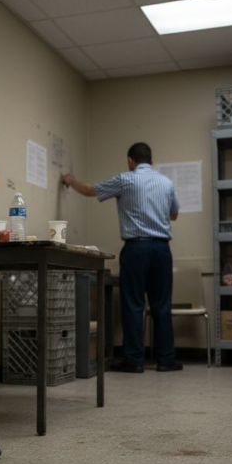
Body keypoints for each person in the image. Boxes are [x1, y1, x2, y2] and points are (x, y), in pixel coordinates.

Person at [61, 142, 183, 373]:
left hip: (136, 248)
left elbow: (89, 190)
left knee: (134, 305)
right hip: (161, 249)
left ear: (130, 161)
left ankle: (134, 361)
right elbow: (174, 214)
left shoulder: (126, 180)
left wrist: (70, 181)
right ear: (152, 161)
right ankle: (166, 360)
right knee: (162, 306)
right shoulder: (167, 183)